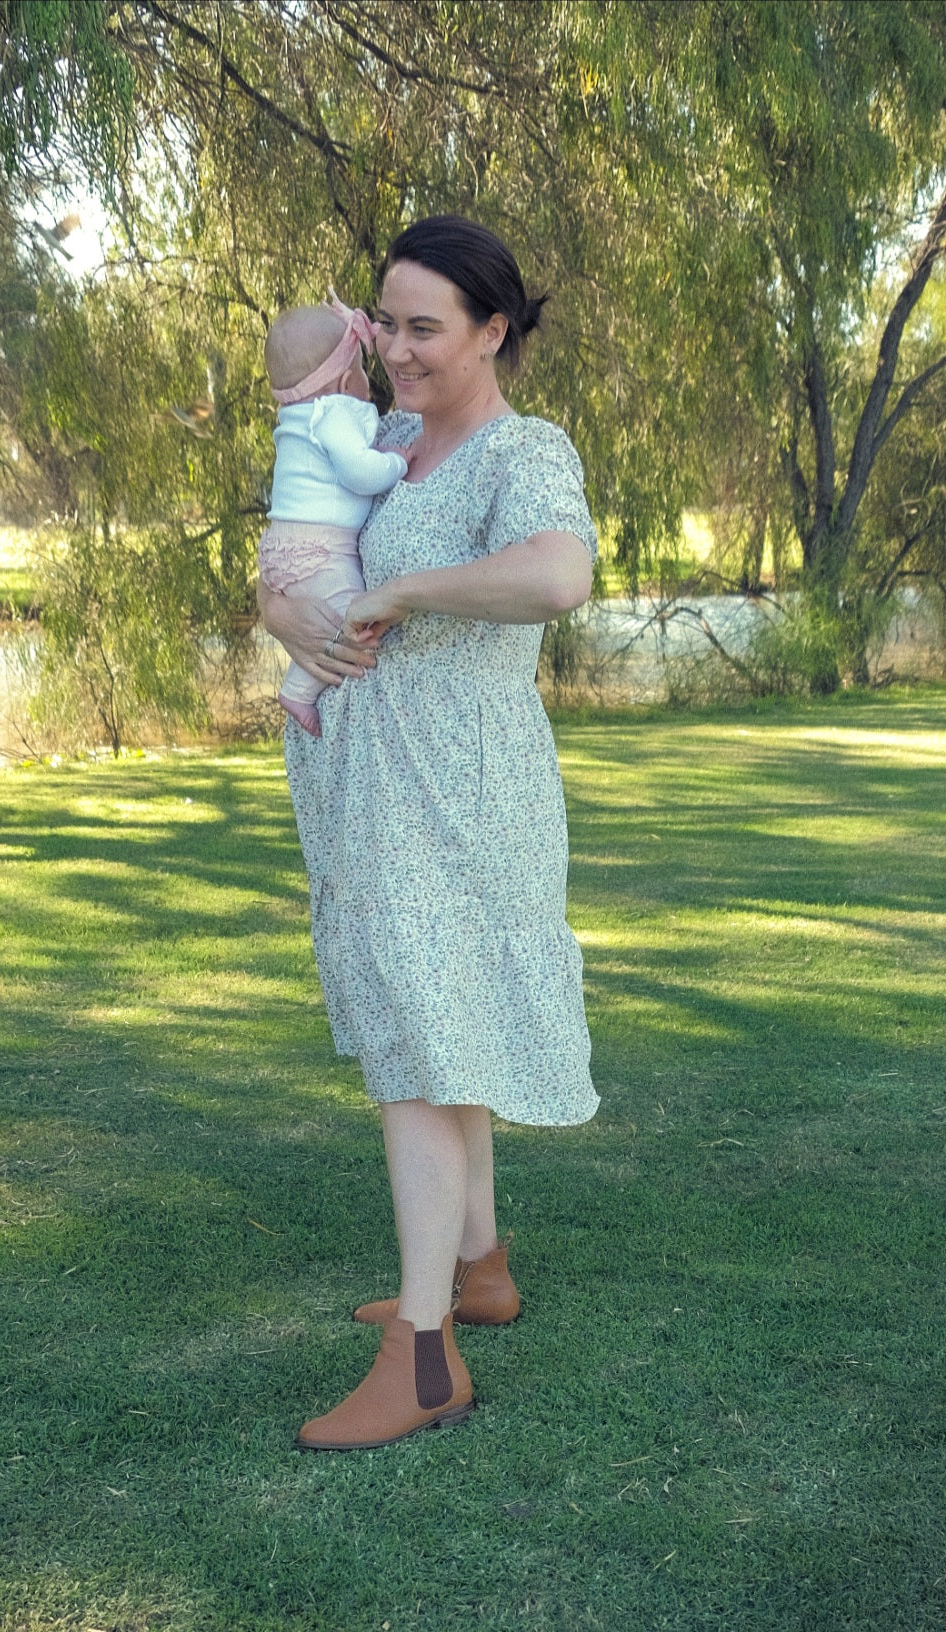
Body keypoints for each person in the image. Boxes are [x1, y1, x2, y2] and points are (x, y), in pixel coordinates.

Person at [258, 215, 600, 1451]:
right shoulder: (383, 437)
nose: (395, 350)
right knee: (432, 1028)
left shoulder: (525, 450)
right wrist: (290, 617)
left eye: (423, 328)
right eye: (384, 323)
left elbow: (560, 575)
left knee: (419, 1047)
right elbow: (292, 548)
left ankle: (422, 1356)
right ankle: (479, 1268)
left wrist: (400, 590)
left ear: (491, 329)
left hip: (462, 798)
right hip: (369, 786)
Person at [259, 292, 410, 735]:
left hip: (284, 548)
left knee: (337, 621)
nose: (369, 383)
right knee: (353, 622)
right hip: (321, 549)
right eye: (363, 373)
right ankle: (298, 692)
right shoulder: (336, 412)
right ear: (347, 384)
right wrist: (396, 462)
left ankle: (299, 688)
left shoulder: (296, 420)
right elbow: (360, 471)